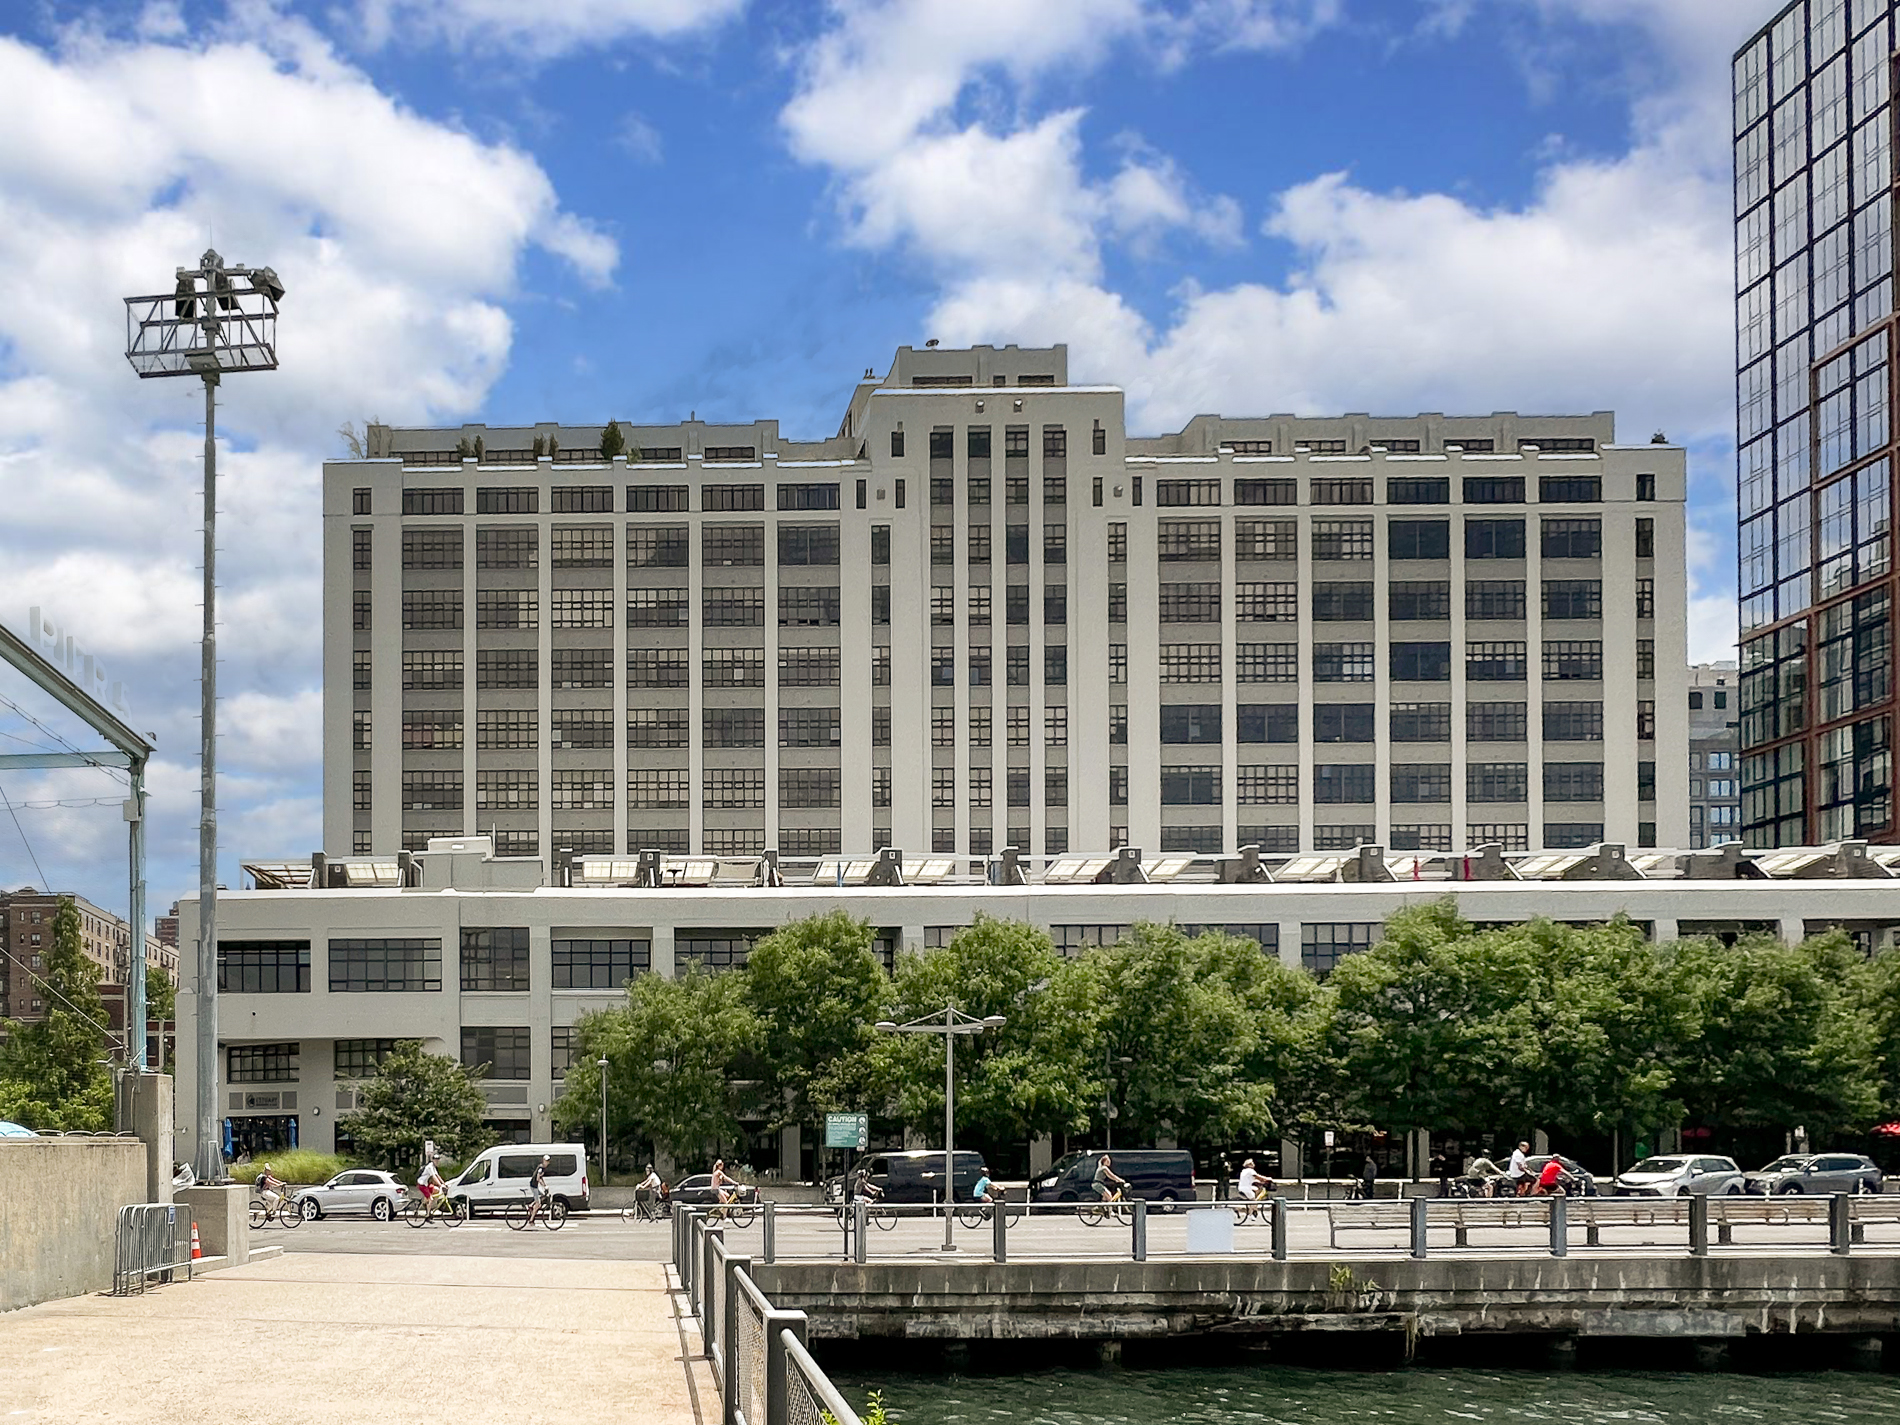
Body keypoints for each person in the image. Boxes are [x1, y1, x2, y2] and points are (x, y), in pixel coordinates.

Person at [524, 1155, 552, 1225]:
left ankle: (531, 1205)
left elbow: (541, 1177)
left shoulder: (543, 1168)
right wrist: (544, 1186)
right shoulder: (541, 1168)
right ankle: (531, 1220)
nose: (547, 1162)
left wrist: (545, 1185)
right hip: (534, 1186)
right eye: (546, 1161)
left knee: (543, 1195)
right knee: (538, 1204)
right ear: (543, 1160)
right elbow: (538, 1178)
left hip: (535, 1186)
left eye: (548, 1161)